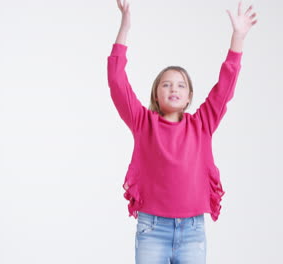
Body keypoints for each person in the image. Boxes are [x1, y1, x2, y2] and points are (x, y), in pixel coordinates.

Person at [107, 0, 257, 263]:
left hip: (192, 232)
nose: (173, 89)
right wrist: (125, 28)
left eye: (180, 85)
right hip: (152, 230)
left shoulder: (203, 123)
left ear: (189, 96)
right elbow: (117, 81)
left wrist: (238, 38)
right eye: (166, 84)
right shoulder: (143, 123)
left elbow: (226, 84)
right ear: (156, 93)